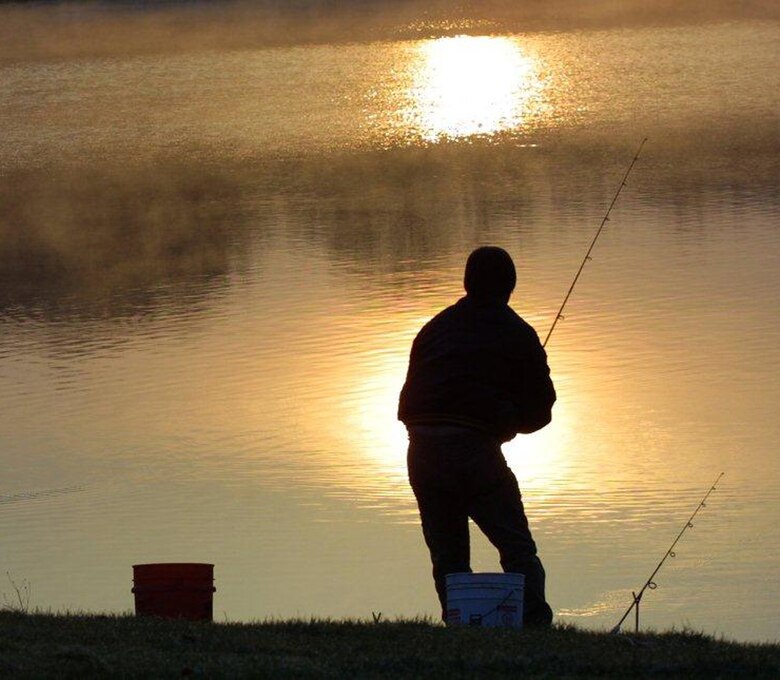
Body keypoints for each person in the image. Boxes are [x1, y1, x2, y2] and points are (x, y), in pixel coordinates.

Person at [398, 246, 555, 626]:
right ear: (510, 286)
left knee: (447, 556)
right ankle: (534, 624)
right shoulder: (517, 332)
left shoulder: (434, 327)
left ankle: (459, 625)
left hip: (421, 449)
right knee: (516, 545)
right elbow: (542, 409)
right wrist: (510, 422)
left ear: (467, 283)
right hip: (472, 453)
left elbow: (412, 396)